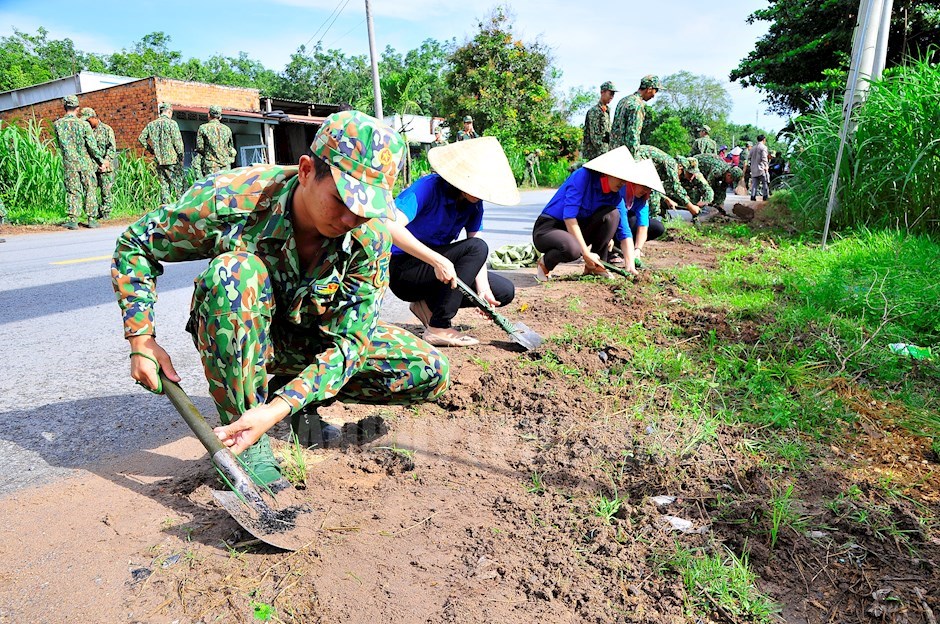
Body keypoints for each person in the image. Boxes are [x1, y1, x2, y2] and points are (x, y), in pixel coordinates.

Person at [112, 110, 450, 485]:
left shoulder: (369, 237)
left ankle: (298, 413)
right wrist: (141, 338)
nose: (350, 219)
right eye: (341, 201)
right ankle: (246, 439)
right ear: (306, 171)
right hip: (247, 333)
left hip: (309, 338)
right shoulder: (234, 200)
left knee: (428, 370)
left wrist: (280, 406)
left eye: (365, 209)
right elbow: (136, 244)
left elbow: (351, 344)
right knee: (235, 274)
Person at [387, 137, 520, 347]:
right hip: (405, 270)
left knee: (503, 290)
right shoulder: (428, 187)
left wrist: (483, 290)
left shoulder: (474, 204)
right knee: (476, 249)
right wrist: (436, 260)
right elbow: (389, 227)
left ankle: (426, 305)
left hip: (434, 271)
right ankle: (439, 326)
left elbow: (476, 245)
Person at [532, 147, 662, 281]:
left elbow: (625, 233)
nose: (623, 183)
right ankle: (545, 264)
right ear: (607, 172)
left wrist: (630, 264)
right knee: (573, 250)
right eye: (621, 178)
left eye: (625, 179)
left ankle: (595, 266)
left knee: (612, 215)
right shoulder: (583, 176)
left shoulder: (615, 196)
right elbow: (569, 217)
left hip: (578, 229)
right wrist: (586, 253)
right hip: (549, 228)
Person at [54, 95, 102, 229]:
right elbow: (92, 146)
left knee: (73, 190)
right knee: (90, 189)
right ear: (77, 108)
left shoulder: (58, 124)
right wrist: (100, 160)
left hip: (70, 163)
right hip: (85, 162)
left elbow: (59, 144)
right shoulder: (84, 124)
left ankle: (73, 220)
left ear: (65, 107)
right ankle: (92, 219)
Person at [633, 145, 701, 218]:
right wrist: (691, 207)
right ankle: (650, 221)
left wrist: (666, 199)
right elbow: (676, 187)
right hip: (638, 159)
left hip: (637, 159)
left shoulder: (663, 165)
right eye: (682, 174)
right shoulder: (672, 163)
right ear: (680, 167)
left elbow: (656, 187)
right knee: (652, 200)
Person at [138, 102, 185, 205]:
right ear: (169, 111)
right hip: (172, 160)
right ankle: (182, 209)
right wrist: (181, 157)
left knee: (164, 186)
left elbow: (141, 138)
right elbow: (178, 143)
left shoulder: (151, 125)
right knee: (179, 185)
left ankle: (165, 210)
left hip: (159, 160)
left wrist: (152, 150)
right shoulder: (172, 124)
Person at [81, 108, 117, 222]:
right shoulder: (86, 130)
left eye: (88, 120)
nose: (86, 123)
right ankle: (94, 213)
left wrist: (105, 162)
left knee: (106, 191)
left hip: (105, 167)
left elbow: (111, 148)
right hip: (91, 167)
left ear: (93, 118)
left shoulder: (107, 129)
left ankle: (106, 213)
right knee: (90, 191)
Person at [611, 75, 661, 152]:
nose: (654, 96)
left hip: (614, 152)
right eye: (656, 91)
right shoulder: (637, 105)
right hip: (625, 155)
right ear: (649, 89)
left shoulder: (623, 101)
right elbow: (633, 135)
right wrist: (634, 157)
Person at [196, 104, 236, 176]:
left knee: (212, 186)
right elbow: (230, 147)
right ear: (220, 117)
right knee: (225, 185)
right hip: (225, 165)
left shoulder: (203, 128)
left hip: (211, 165)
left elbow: (200, 147)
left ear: (208, 115)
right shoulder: (227, 129)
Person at [582, 80, 617, 161]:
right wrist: (605, 154)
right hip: (596, 155)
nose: (612, 96)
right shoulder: (595, 111)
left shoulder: (606, 111)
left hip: (605, 152)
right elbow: (595, 137)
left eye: (613, 94)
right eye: (610, 93)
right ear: (602, 92)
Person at [749, 134, 770, 201]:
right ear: (764, 140)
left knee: (754, 184)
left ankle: (753, 196)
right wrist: (766, 166)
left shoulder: (753, 148)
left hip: (754, 169)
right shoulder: (763, 147)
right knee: (765, 183)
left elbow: (749, 157)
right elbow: (764, 158)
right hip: (761, 168)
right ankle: (765, 196)